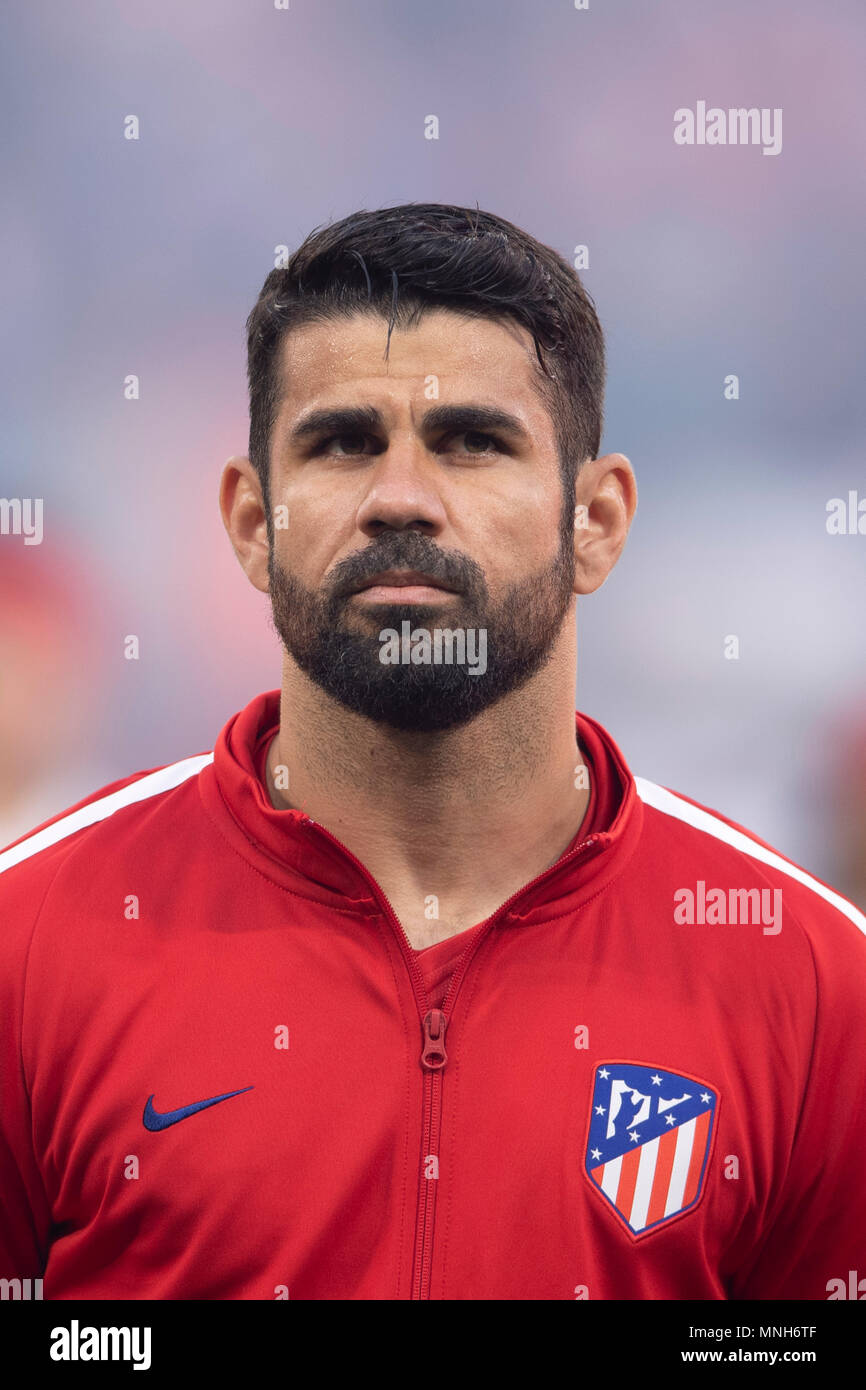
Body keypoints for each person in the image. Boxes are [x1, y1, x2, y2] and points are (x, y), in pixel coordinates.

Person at [1, 203, 864, 1301]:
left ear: (593, 520)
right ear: (251, 524)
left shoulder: (813, 983)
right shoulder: (27, 950)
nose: (400, 499)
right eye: (342, 442)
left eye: (471, 441)